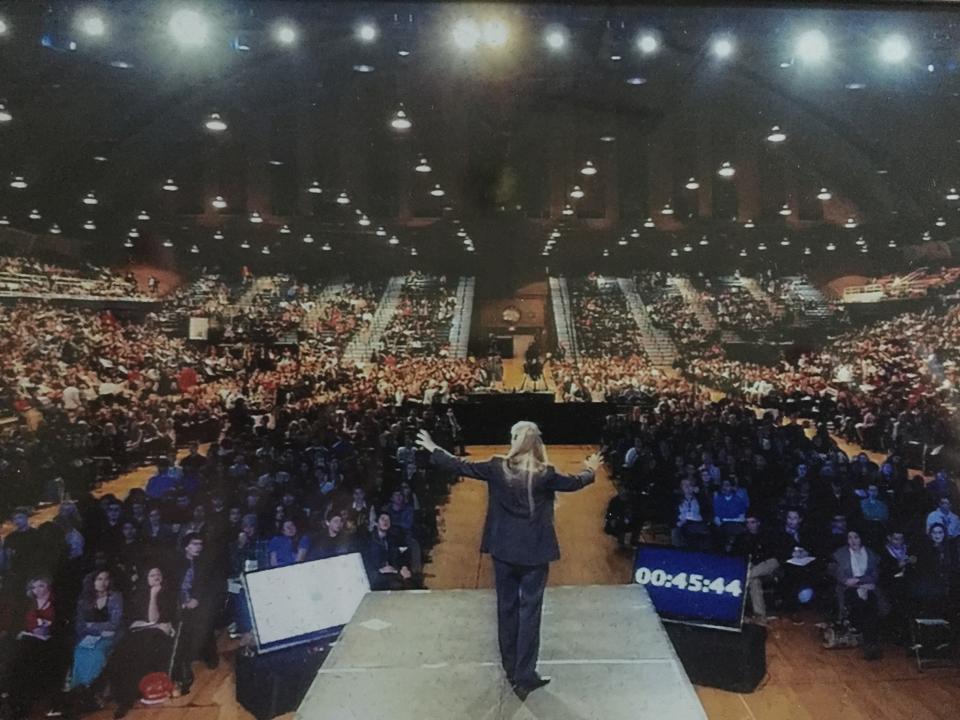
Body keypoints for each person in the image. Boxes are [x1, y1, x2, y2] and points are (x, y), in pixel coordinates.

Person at [417, 422, 599, 699]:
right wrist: (591, 469)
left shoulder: (496, 467)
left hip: (503, 551)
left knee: (507, 608)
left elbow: (459, 465)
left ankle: (510, 668)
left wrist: (433, 448)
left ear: (514, 440)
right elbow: (575, 483)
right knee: (530, 613)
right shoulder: (546, 474)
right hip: (535, 554)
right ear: (538, 444)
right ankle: (525, 675)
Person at [105, 567, 178, 719]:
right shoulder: (137, 595)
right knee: (121, 651)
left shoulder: (168, 594)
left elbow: (154, 618)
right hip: (139, 632)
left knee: (143, 652)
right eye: (152, 575)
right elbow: (132, 623)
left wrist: (153, 595)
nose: (156, 577)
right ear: (146, 578)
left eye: (159, 574)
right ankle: (116, 694)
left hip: (156, 636)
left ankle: (128, 698)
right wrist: (153, 624)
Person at [832, 530, 882, 660]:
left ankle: (871, 644)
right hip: (848, 589)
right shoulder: (840, 554)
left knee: (872, 606)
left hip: (868, 587)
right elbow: (842, 577)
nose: (853, 541)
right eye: (850, 538)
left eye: (856, 537)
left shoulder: (870, 554)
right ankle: (869, 643)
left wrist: (860, 581)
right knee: (860, 605)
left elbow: (874, 575)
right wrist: (857, 583)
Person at [70, 569, 123, 690]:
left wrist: (91, 625)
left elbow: (114, 623)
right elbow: (80, 625)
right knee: (80, 651)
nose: (103, 582)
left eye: (106, 579)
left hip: (111, 636)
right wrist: (97, 629)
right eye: (99, 579)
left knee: (97, 653)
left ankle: (92, 688)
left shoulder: (115, 597)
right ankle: (79, 688)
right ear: (92, 581)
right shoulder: (84, 600)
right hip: (89, 636)